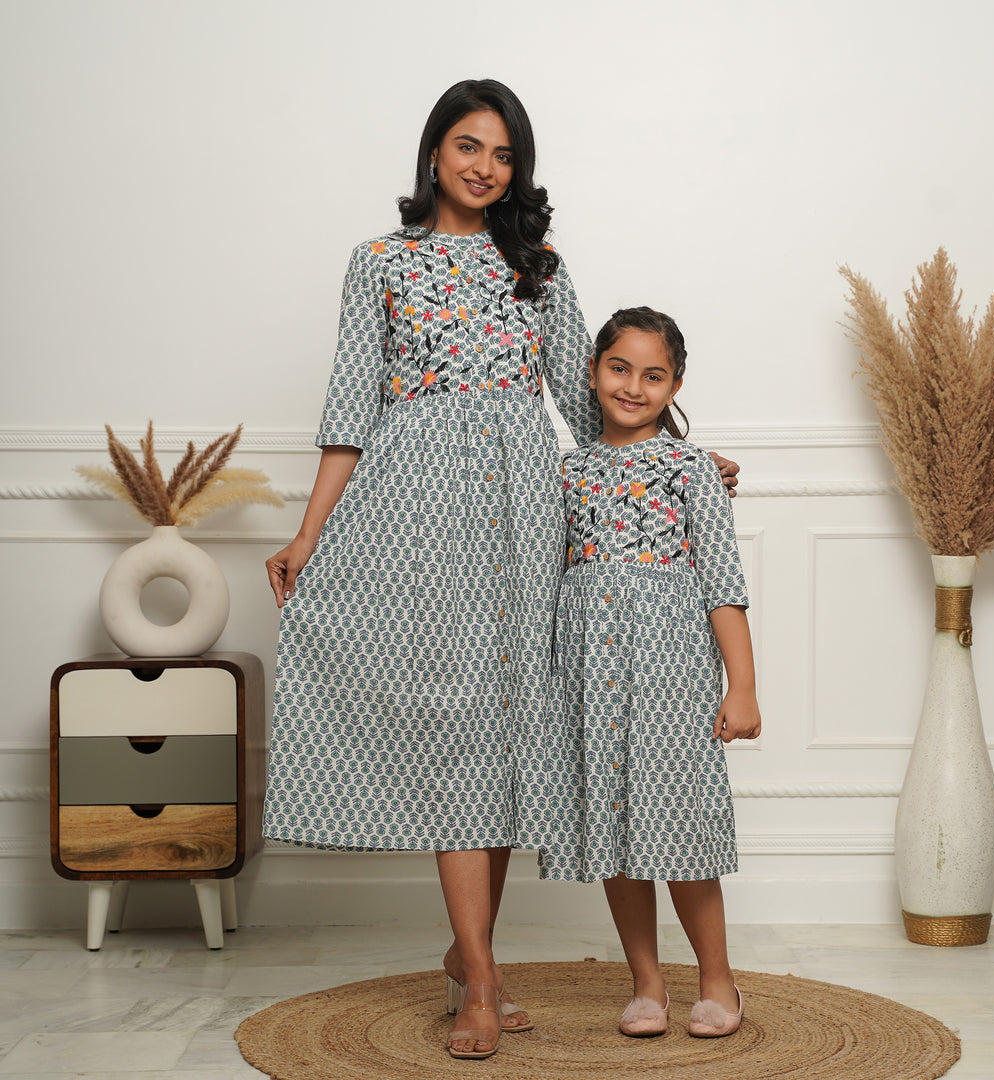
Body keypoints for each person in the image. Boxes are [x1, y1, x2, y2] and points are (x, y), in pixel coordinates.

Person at [263, 81, 739, 1061]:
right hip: (416, 514)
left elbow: (588, 396)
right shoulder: (379, 263)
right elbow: (350, 408)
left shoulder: (537, 267)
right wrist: (310, 534)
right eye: (468, 145)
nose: (485, 167)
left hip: (525, 519)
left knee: (508, 733)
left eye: (504, 154)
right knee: (455, 727)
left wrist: (678, 461)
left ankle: (466, 950)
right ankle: (480, 980)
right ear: (434, 152)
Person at [540, 306, 762, 1040]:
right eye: (619, 368)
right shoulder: (566, 472)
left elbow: (723, 585)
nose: (633, 386)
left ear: (674, 386)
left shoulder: (691, 470)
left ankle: (718, 981)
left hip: (671, 673)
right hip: (586, 673)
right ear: (593, 372)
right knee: (615, 832)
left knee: (682, 830)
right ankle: (646, 985)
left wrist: (742, 687)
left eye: (653, 375)